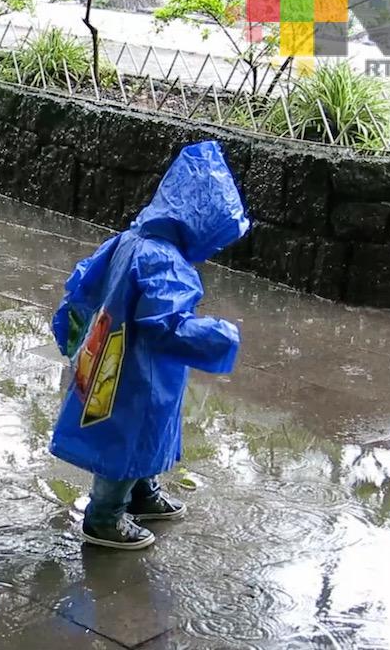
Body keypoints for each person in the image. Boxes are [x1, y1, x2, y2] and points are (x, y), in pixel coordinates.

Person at [50, 141, 249, 549]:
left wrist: (72, 333)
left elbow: (84, 284)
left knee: (140, 434)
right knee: (130, 437)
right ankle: (104, 518)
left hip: (111, 355)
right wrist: (219, 337)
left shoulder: (131, 239)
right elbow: (167, 326)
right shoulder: (165, 261)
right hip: (139, 370)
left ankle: (142, 492)